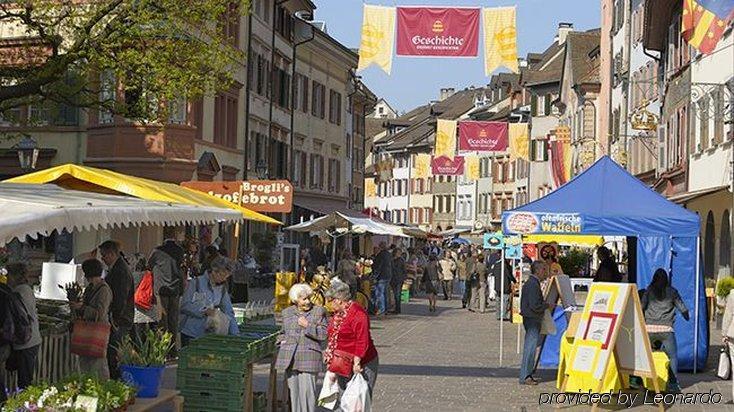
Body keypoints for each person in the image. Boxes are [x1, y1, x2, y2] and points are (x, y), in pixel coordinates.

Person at [275, 284, 327, 412]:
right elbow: (282, 333)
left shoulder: (319, 311)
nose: (308, 301)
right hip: (290, 359)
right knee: (294, 395)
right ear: (295, 300)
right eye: (304, 299)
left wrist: (307, 325)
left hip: (309, 358)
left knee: (308, 394)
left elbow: (324, 334)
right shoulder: (286, 313)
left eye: (309, 298)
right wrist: (281, 342)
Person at [324, 281, 379, 398]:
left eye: (329, 301)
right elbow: (333, 334)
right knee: (343, 398)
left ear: (338, 300)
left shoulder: (358, 313)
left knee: (360, 399)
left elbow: (362, 340)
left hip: (362, 362)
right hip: (342, 361)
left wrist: (357, 362)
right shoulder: (338, 313)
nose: (328, 304)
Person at [641, 268, 689, 393]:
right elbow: (683, 309)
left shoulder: (649, 290)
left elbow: (641, 306)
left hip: (649, 328)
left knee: (647, 356)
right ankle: (673, 385)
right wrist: (686, 316)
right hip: (666, 329)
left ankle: (648, 383)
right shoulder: (672, 292)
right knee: (672, 356)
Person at [180, 256, 239, 346]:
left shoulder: (222, 289)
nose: (224, 279)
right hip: (191, 333)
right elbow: (185, 306)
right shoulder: (195, 283)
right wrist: (204, 311)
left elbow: (228, 311)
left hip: (209, 335)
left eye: (226, 276)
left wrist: (235, 334)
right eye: (222, 275)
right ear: (214, 271)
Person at [71, 259, 113, 379]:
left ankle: (102, 387)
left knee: (98, 362)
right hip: (87, 329)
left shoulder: (104, 290)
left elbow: (100, 313)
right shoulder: (90, 288)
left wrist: (82, 308)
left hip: (98, 330)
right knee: (85, 361)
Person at [98, 240, 134, 379]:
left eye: (104, 255)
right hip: (120, 319)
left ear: (112, 254)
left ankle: (118, 382)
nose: (103, 259)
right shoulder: (117, 268)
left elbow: (120, 298)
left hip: (120, 320)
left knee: (115, 355)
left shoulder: (120, 270)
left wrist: (115, 319)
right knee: (114, 354)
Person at [6, 263, 41, 389]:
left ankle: (27, 406)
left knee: (25, 380)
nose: (7, 278)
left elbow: (15, 318)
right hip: (31, 339)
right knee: (25, 377)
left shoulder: (17, 292)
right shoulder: (26, 289)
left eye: (8, 275)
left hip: (26, 341)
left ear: (14, 276)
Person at [519, 261, 552, 385]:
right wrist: (547, 305)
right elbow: (535, 305)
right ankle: (525, 375)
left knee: (531, 347)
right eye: (544, 270)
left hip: (531, 317)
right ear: (537, 270)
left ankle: (527, 374)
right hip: (532, 319)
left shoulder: (532, 283)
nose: (546, 273)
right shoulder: (533, 284)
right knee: (530, 348)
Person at [148, 240, 184, 343]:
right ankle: (172, 347)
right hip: (175, 288)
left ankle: (163, 347)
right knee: (173, 320)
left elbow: (149, 265)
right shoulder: (179, 250)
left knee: (162, 320)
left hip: (161, 288)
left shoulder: (157, 251)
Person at [491, 254, 515, 321]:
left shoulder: (496, 264)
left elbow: (493, 273)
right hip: (505, 286)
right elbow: (509, 275)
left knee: (498, 301)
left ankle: (498, 315)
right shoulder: (506, 266)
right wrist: (515, 281)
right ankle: (503, 315)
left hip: (497, 285)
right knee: (505, 301)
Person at [372, 242, 393, 316]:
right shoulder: (389, 255)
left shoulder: (381, 255)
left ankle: (381, 309)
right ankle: (386, 308)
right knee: (385, 293)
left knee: (380, 293)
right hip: (388, 275)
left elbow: (379, 267)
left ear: (381, 247)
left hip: (382, 276)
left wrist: (375, 276)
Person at [390, 249, 407, 314]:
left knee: (397, 295)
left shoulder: (401, 260)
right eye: (398, 253)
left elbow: (404, 270)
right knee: (395, 295)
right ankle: (396, 309)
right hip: (393, 279)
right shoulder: (392, 260)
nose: (399, 254)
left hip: (399, 280)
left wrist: (403, 278)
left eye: (399, 253)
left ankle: (398, 309)